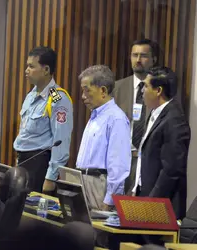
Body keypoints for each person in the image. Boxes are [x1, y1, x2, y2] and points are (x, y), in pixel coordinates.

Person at [13, 46, 73, 194]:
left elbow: (61, 141)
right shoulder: (31, 95)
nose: (26, 70)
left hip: (39, 166)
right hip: (23, 161)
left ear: (46, 70)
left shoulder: (58, 98)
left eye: (31, 66)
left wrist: (51, 177)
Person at [132, 66, 190, 219]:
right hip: (145, 196)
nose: (142, 90)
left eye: (145, 86)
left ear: (158, 90)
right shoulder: (154, 113)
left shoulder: (174, 119)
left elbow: (171, 169)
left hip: (160, 206)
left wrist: (151, 204)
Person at [76, 65, 131, 211]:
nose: (83, 96)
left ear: (103, 91)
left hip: (99, 186)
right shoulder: (95, 116)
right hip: (83, 182)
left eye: (87, 90)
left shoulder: (116, 118)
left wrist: (110, 200)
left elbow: (119, 165)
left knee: (96, 234)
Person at [114, 39, 159, 195]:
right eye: (135, 55)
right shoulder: (117, 88)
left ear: (154, 60)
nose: (138, 60)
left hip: (146, 161)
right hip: (120, 159)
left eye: (143, 55)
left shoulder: (160, 89)